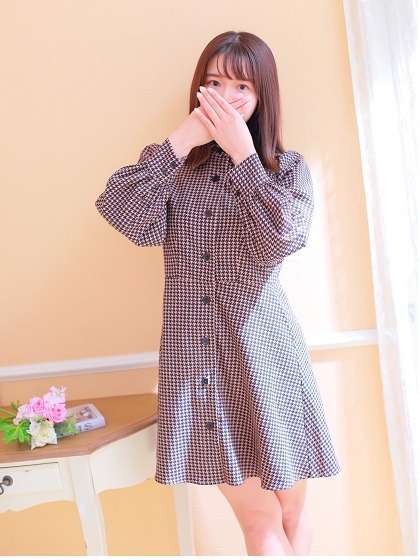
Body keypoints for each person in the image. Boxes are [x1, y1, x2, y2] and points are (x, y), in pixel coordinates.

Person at [95, 30, 341, 556]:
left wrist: (244, 155)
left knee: (293, 512)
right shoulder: (173, 170)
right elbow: (123, 213)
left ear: (262, 96)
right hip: (198, 364)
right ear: (198, 88)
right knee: (260, 523)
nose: (225, 97)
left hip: (269, 358)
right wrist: (179, 142)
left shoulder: (286, 171)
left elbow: (283, 238)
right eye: (214, 82)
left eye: (241, 87)